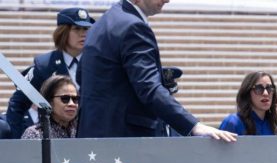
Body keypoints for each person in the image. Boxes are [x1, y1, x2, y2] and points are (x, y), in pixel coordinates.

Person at [77, 0, 234, 142]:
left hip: (93, 135)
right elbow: (148, 87)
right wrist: (193, 126)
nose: (167, 0)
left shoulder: (101, 24)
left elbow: (80, 77)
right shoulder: (133, 27)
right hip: (126, 141)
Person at [5, 7, 94, 139]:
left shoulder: (97, 63)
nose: (83, 34)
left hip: (90, 140)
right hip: (54, 141)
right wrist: (18, 142)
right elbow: (18, 104)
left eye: (86, 29)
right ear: (63, 33)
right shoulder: (45, 64)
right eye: (76, 29)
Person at [21, 75, 79, 139]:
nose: (72, 104)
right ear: (49, 102)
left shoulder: (81, 132)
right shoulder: (35, 134)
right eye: (65, 99)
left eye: (75, 99)